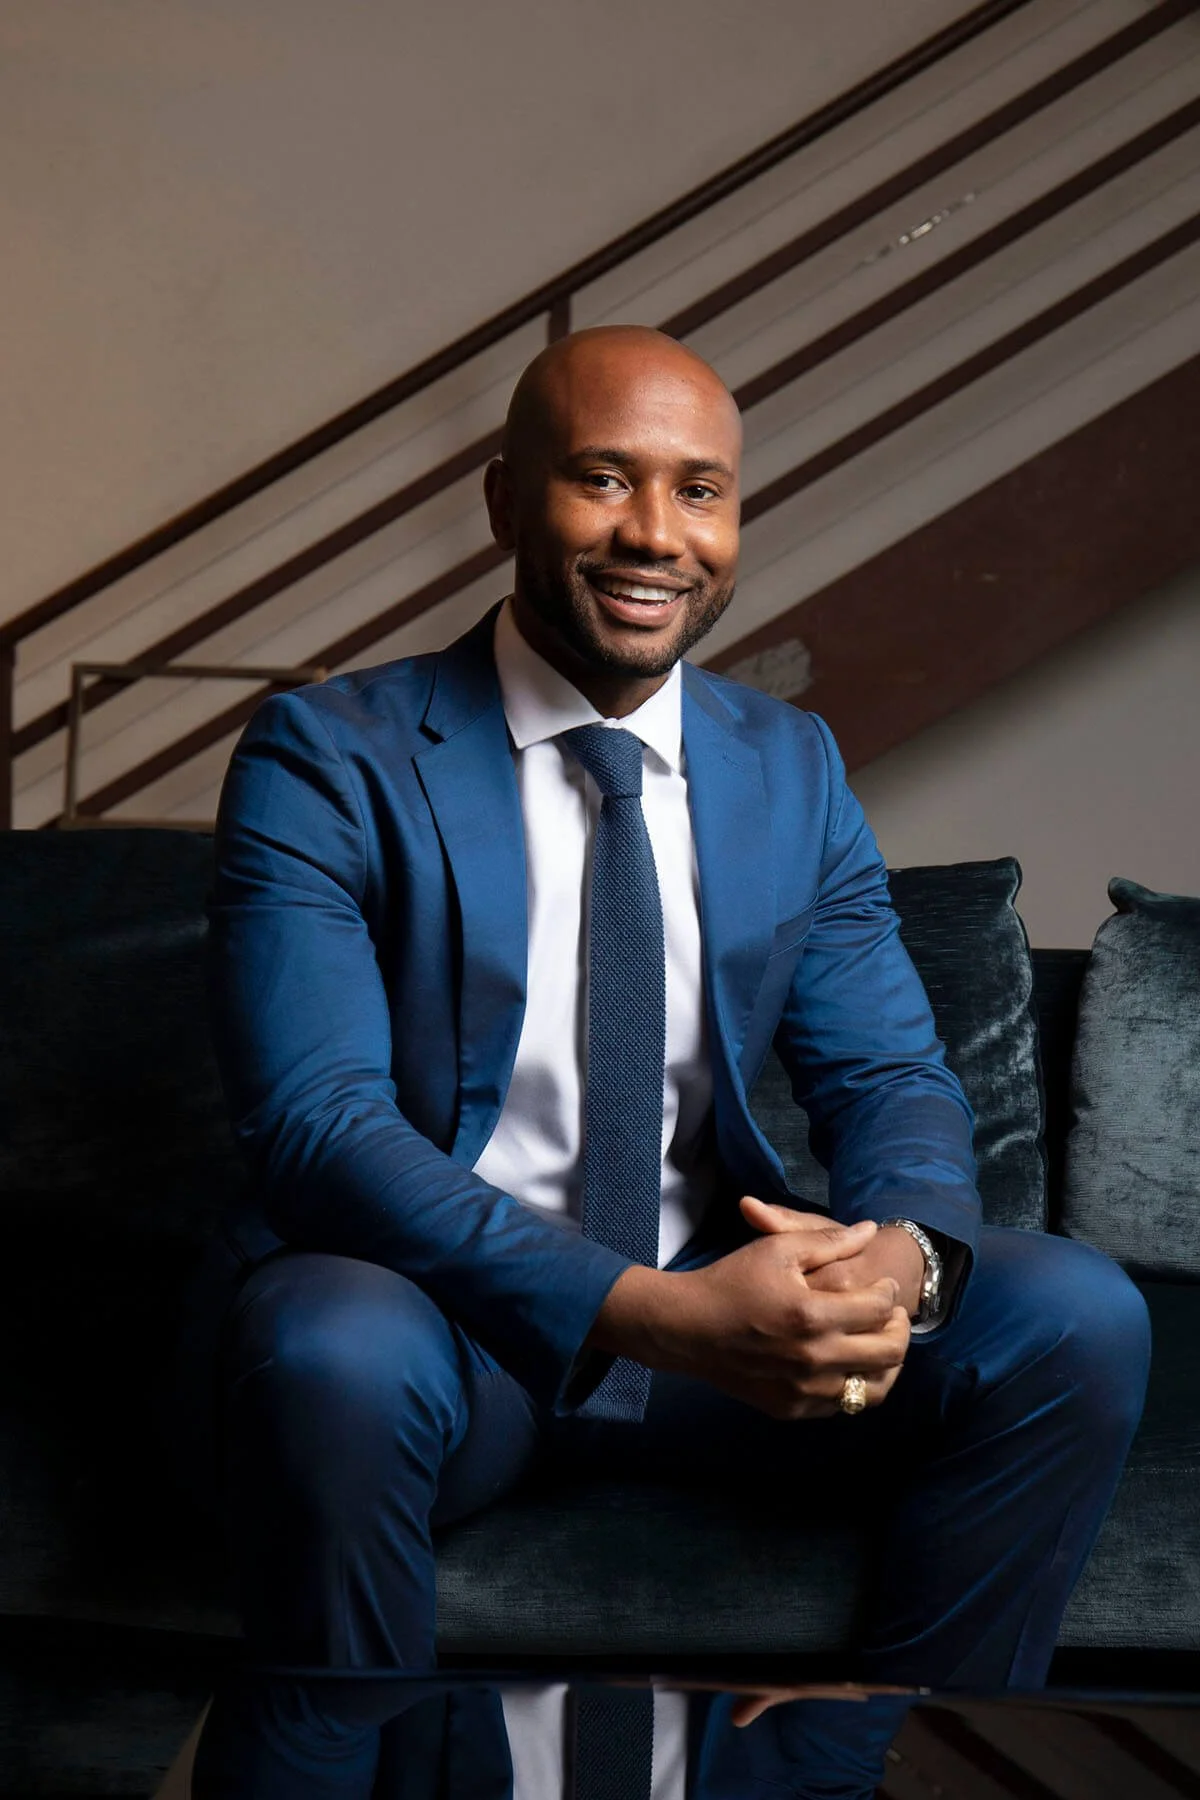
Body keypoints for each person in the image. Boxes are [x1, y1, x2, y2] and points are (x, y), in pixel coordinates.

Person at [185, 325, 1150, 1798]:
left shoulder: (789, 766)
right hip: (461, 1332)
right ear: (506, 500)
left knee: (1075, 1313)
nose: (657, 535)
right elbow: (317, 1126)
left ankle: (851, 1757)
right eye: (602, 480)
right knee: (323, 1339)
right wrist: (640, 1311)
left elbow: (892, 1079)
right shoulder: (330, 753)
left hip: (729, 1340)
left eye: (703, 492)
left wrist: (899, 1270)